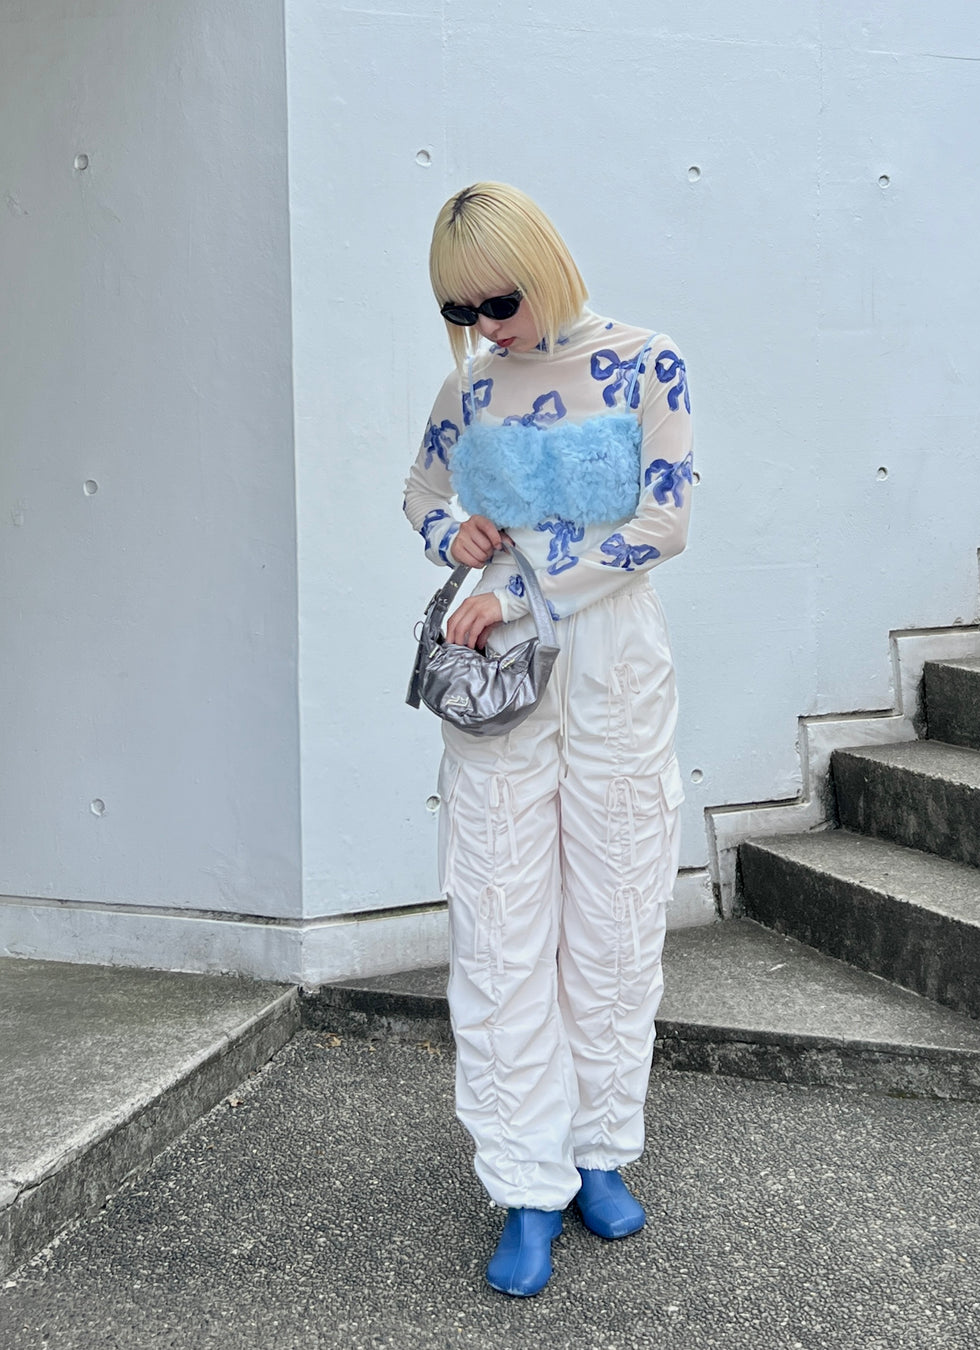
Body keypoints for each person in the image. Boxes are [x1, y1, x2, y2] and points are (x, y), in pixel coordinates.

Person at [402, 182, 693, 1297]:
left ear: (546, 266)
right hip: (499, 680)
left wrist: (522, 587)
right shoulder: (469, 388)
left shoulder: (646, 362)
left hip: (615, 665)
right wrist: (456, 535)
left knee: (617, 915)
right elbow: (420, 492)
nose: (486, 325)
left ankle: (598, 1148)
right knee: (500, 921)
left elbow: (663, 523)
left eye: (500, 299)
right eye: (461, 309)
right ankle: (525, 1181)